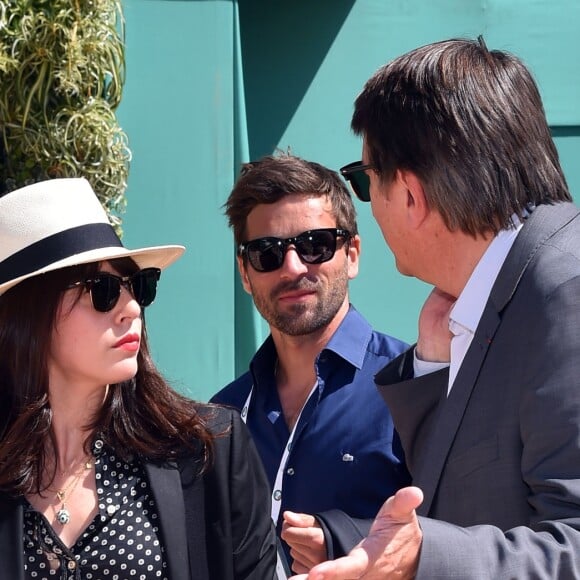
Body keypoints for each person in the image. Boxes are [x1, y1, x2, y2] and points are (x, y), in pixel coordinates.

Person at [292, 36, 580, 579]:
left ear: (408, 194)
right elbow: (457, 494)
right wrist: (432, 367)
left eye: (363, 179)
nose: (368, 204)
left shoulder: (566, 293)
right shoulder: (501, 298)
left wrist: (422, 557)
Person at [0, 178, 276, 579]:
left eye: (138, 285)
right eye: (103, 289)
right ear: (28, 315)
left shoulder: (206, 450)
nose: (130, 307)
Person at [210, 153, 410, 574]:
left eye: (314, 245)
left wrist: (344, 542)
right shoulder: (222, 417)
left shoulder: (412, 385)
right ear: (245, 274)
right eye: (267, 254)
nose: (293, 267)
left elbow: (460, 532)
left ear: (352, 254)